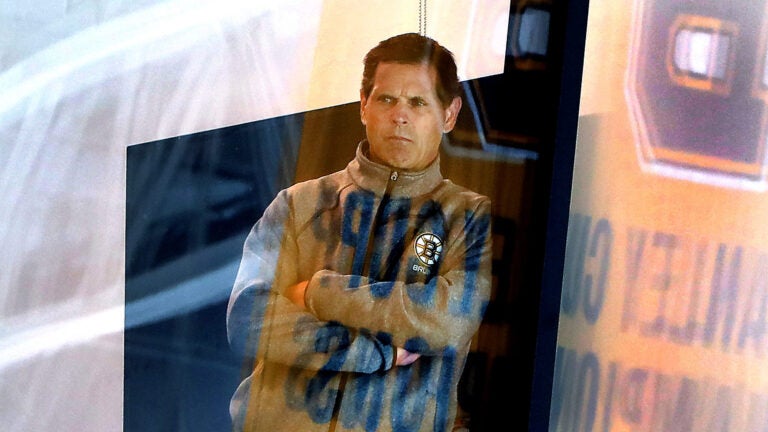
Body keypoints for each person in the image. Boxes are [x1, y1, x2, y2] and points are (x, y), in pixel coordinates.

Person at [227, 32, 492, 432]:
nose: (399, 115)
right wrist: (375, 353)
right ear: (364, 105)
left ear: (449, 114)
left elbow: (449, 322)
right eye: (386, 99)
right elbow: (247, 318)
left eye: (418, 102)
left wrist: (317, 292)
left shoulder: (466, 216)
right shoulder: (298, 204)